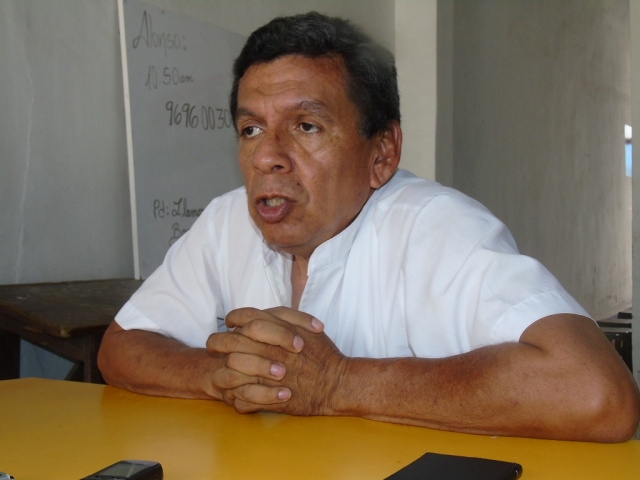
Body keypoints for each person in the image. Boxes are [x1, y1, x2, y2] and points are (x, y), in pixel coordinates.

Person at [98, 12, 640, 442]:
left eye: (306, 126)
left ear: (382, 153)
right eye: (251, 129)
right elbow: (121, 347)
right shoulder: (226, 221)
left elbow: (597, 393)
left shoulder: (437, 229)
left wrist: (337, 383)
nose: (266, 157)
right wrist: (217, 375)